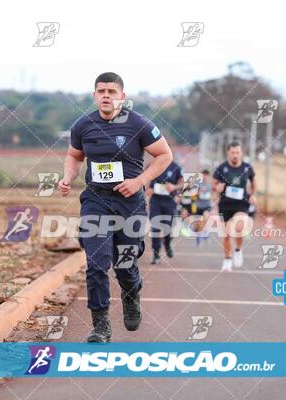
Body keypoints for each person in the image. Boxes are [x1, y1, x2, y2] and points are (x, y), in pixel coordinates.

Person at [58, 72, 173, 343]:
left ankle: (131, 294)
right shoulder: (83, 125)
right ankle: (100, 325)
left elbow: (165, 155)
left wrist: (140, 181)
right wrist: (67, 177)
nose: (106, 95)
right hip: (95, 200)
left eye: (112, 91)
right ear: (95, 95)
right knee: (96, 264)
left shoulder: (139, 124)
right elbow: (74, 156)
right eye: (101, 91)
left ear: (122, 95)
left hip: (129, 204)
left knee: (125, 264)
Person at [213, 141, 257, 271]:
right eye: (233, 152)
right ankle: (227, 259)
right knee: (226, 235)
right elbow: (214, 184)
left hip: (241, 203)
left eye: (237, 152)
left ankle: (238, 250)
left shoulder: (247, 168)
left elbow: (254, 184)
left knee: (239, 226)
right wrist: (217, 188)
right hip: (225, 204)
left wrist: (254, 195)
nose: (235, 155)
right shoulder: (221, 168)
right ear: (228, 153)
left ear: (241, 153)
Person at [147, 161, 183, 264]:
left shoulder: (175, 167)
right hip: (155, 201)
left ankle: (167, 244)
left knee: (167, 227)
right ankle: (156, 254)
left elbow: (182, 183)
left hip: (169, 201)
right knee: (155, 227)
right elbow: (145, 177)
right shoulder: (153, 164)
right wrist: (148, 188)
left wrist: (174, 187)